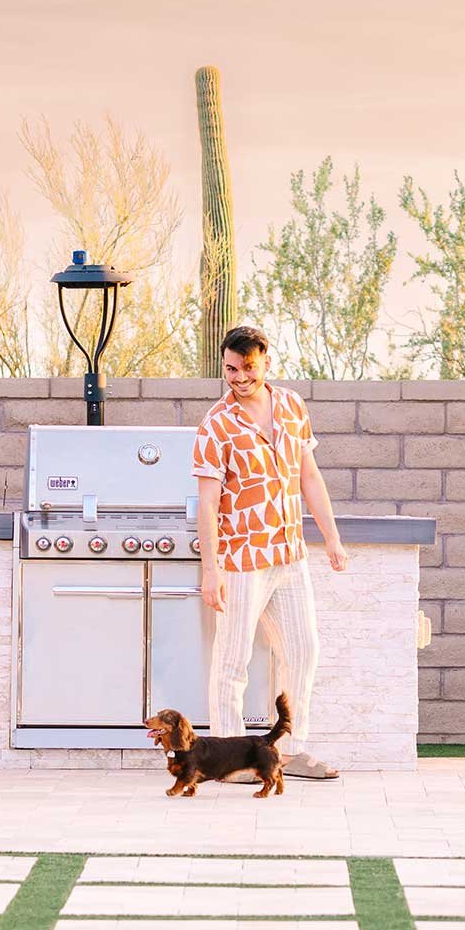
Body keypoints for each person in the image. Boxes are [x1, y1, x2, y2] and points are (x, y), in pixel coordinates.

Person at [190, 325, 348, 781]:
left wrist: (331, 538)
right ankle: (225, 760)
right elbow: (206, 501)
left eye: (248, 368)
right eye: (230, 369)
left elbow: (309, 478)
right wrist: (211, 570)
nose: (238, 378)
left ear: (266, 363)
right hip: (240, 560)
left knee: (303, 649)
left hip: (289, 555)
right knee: (232, 659)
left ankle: (289, 751)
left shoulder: (293, 407)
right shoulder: (216, 425)